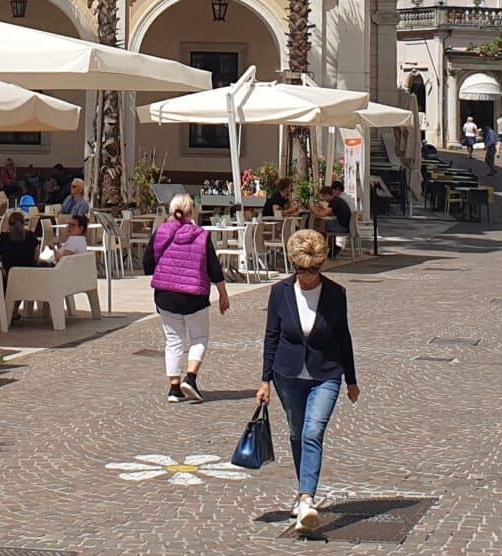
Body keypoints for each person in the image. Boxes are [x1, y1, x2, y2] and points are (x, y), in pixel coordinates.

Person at [255, 228, 359, 535]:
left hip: (326, 373)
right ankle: (304, 495)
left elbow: (344, 337)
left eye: (314, 270)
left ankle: (306, 498)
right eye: (302, 270)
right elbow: (271, 336)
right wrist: (264, 381)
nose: (308, 276)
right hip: (287, 375)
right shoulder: (280, 292)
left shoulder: (336, 294)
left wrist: (351, 380)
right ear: (293, 265)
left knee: (313, 431)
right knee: (298, 433)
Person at [151, 192, 232, 403]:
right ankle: (191, 377)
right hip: (194, 296)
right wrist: (223, 294)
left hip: (166, 295)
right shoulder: (201, 235)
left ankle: (174, 388)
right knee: (199, 338)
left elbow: (147, 263)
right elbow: (214, 268)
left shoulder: (160, 232)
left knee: (173, 341)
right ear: (192, 212)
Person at [0, 213, 43, 312]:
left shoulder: (3, 238)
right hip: (30, 276)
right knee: (20, 276)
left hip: (9, 276)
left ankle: (6, 310)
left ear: (8, 225)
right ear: (24, 223)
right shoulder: (31, 237)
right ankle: (14, 310)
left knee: (0, 275)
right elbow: (36, 257)